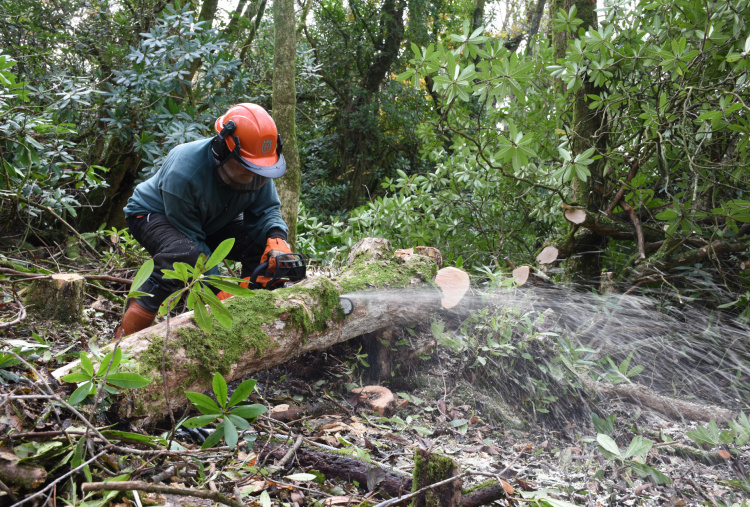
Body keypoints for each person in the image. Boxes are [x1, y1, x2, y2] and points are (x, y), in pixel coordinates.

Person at [114, 103, 291, 339]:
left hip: (211, 220)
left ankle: (252, 312)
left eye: (259, 171)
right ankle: (127, 335)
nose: (254, 179)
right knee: (184, 254)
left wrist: (276, 237)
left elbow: (266, 210)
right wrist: (217, 290)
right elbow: (196, 245)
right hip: (153, 214)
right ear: (223, 150)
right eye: (247, 170)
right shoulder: (184, 170)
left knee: (259, 243)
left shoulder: (258, 168)